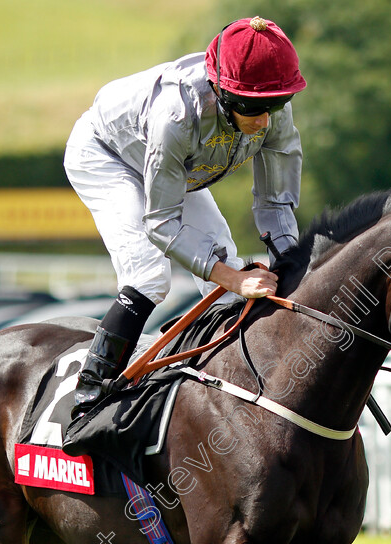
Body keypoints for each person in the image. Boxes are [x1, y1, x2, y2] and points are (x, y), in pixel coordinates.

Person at [63, 16, 306, 418]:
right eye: (252, 107)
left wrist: (293, 269)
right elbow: (161, 224)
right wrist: (233, 275)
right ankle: (91, 391)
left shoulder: (272, 110)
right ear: (221, 90)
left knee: (229, 291)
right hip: (106, 154)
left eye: (274, 105)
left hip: (177, 169)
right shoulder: (175, 115)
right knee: (149, 276)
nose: (264, 121)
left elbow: (277, 206)